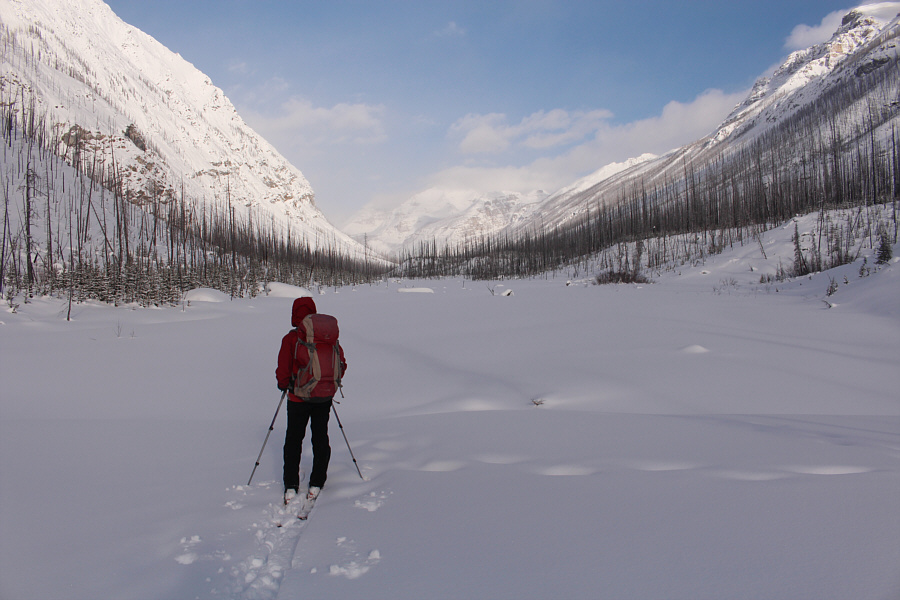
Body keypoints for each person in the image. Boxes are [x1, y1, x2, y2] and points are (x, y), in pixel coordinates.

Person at [276, 297, 347, 505]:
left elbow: (283, 368)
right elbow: (341, 363)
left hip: (298, 396)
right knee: (320, 437)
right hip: (323, 396)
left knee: (294, 439)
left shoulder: (292, 338)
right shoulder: (328, 337)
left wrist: (283, 384)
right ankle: (317, 481)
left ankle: (291, 485)